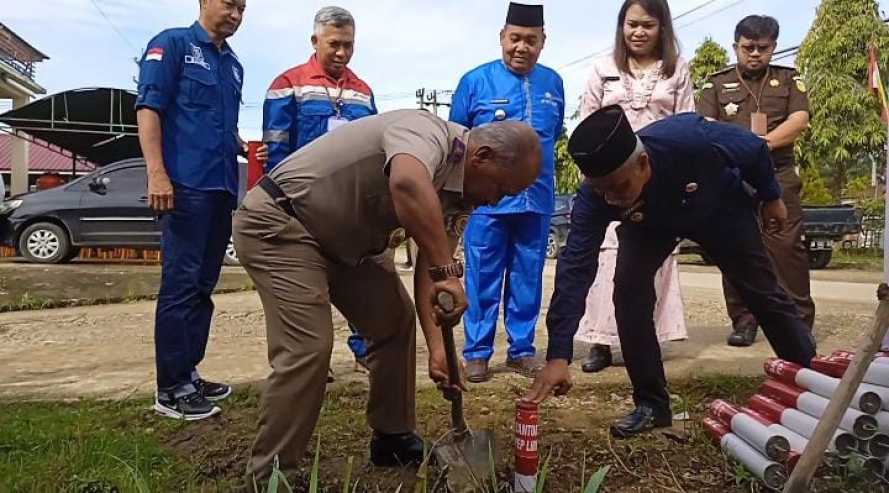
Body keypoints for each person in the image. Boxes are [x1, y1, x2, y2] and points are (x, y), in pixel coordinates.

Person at [234, 110, 541, 486]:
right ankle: (270, 475)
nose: (496, 202)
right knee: (308, 348)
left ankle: (392, 437)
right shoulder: (427, 133)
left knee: (395, 322)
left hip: (350, 246)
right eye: (502, 190)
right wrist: (447, 272)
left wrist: (438, 348)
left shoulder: (463, 197)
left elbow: (433, 262)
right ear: (483, 156)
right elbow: (408, 183)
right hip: (283, 223)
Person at [524, 105, 817, 438]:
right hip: (650, 222)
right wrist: (559, 355)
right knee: (628, 294)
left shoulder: (689, 140)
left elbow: (753, 148)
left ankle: (811, 383)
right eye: (601, 190)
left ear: (643, 163)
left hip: (718, 206)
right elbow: (574, 271)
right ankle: (652, 405)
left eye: (617, 187)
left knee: (763, 292)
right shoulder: (597, 198)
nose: (610, 199)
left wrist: (770, 196)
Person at [136, 0, 267, 421]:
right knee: (180, 284)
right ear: (204, 2)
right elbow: (149, 110)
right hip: (184, 185)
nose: (236, 14)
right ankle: (170, 388)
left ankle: (189, 373)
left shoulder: (233, 66)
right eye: (229, 4)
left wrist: (244, 147)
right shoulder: (172, 45)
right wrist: (157, 174)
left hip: (220, 187)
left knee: (203, 287)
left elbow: (219, 128)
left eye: (243, 8)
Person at [450, 1, 565, 383]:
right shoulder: (475, 81)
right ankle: (478, 352)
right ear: (502, 37)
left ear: (543, 41)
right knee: (482, 275)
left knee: (527, 277)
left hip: (537, 199)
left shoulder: (554, 84)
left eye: (530, 40)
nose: (521, 47)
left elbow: (555, 134)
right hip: (487, 202)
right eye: (514, 38)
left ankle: (521, 350)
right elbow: (455, 142)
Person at [575, 0, 691, 373]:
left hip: (657, 180)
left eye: (648, 25)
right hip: (610, 179)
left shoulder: (677, 70)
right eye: (631, 24)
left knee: (651, 261)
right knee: (606, 258)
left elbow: (686, 123)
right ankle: (600, 343)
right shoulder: (602, 69)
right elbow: (586, 122)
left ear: (662, 29)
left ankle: (642, 343)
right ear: (621, 27)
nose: (638, 32)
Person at [262, 6, 376, 371]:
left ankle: (365, 350)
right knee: (305, 285)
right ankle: (310, 359)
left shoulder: (363, 93)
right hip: (303, 205)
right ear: (315, 41)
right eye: (334, 45)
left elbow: (374, 148)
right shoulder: (287, 84)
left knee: (358, 280)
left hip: (350, 207)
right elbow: (276, 150)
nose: (342, 53)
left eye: (349, 46)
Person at [697, 15, 814, 348]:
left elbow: (800, 119)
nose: (755, 54)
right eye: (748, 47)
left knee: (787, 249)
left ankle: (799, 322)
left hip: (778, 173)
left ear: (773, 47)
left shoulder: (789, 80)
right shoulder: (715, 84)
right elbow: (706, 125)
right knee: (735, 248)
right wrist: (743, 151)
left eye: (763, 48)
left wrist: (761, 145)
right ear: (736, 46)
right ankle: (744, 321)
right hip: (733, 176)